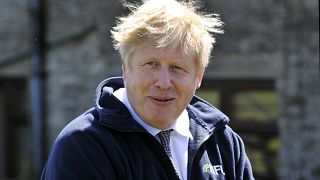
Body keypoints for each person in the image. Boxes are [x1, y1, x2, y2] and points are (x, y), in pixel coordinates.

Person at [41, 0, 254, 179]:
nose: (163, 82)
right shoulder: (83, 145)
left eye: (177, 68)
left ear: (198, 78)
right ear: (126, 71)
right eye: (151, 64)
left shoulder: (224, 142)